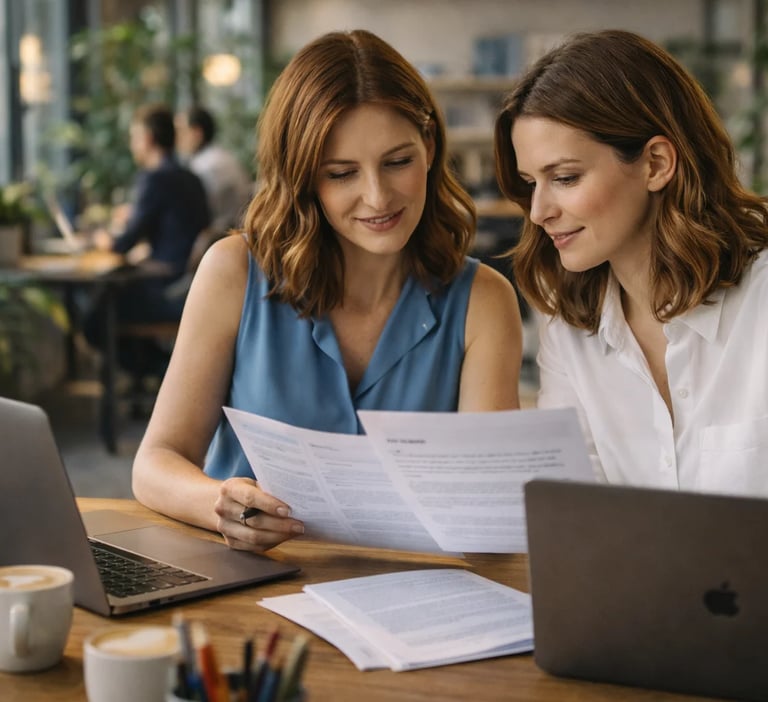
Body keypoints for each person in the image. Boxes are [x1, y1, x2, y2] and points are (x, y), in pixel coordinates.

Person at [132, 29, 523, 552]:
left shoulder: (484, 301)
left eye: (398, 162)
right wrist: (219, 503)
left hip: (416, 586)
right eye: (341, 173)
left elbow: (487, 516)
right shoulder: (233, 273)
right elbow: (156, 462)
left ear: (429, 148)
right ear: (303, 177)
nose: (377, 197)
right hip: (253, 582)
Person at [494, 29, 768, 496]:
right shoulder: (569, 331)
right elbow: (578, 510)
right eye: (531, 183)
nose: (538, 212)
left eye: (565, 177)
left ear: (656, 164)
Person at [84, 104, 211, 374]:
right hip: (189, 285)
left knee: (95, 316)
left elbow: (123, 244)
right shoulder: (191, 177)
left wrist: (101, 239)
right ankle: (159, 370)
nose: (132, 145)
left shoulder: (155, 178)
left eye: (134, 137)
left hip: (168, 290)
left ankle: (159, 370)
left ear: (148, 139)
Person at [175, 106, 253, 234]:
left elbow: (195, 215)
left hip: (224, 235)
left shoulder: (206, 167)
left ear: (197, 133)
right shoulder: (220, 156)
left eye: (180, 130)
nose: (176, 137)